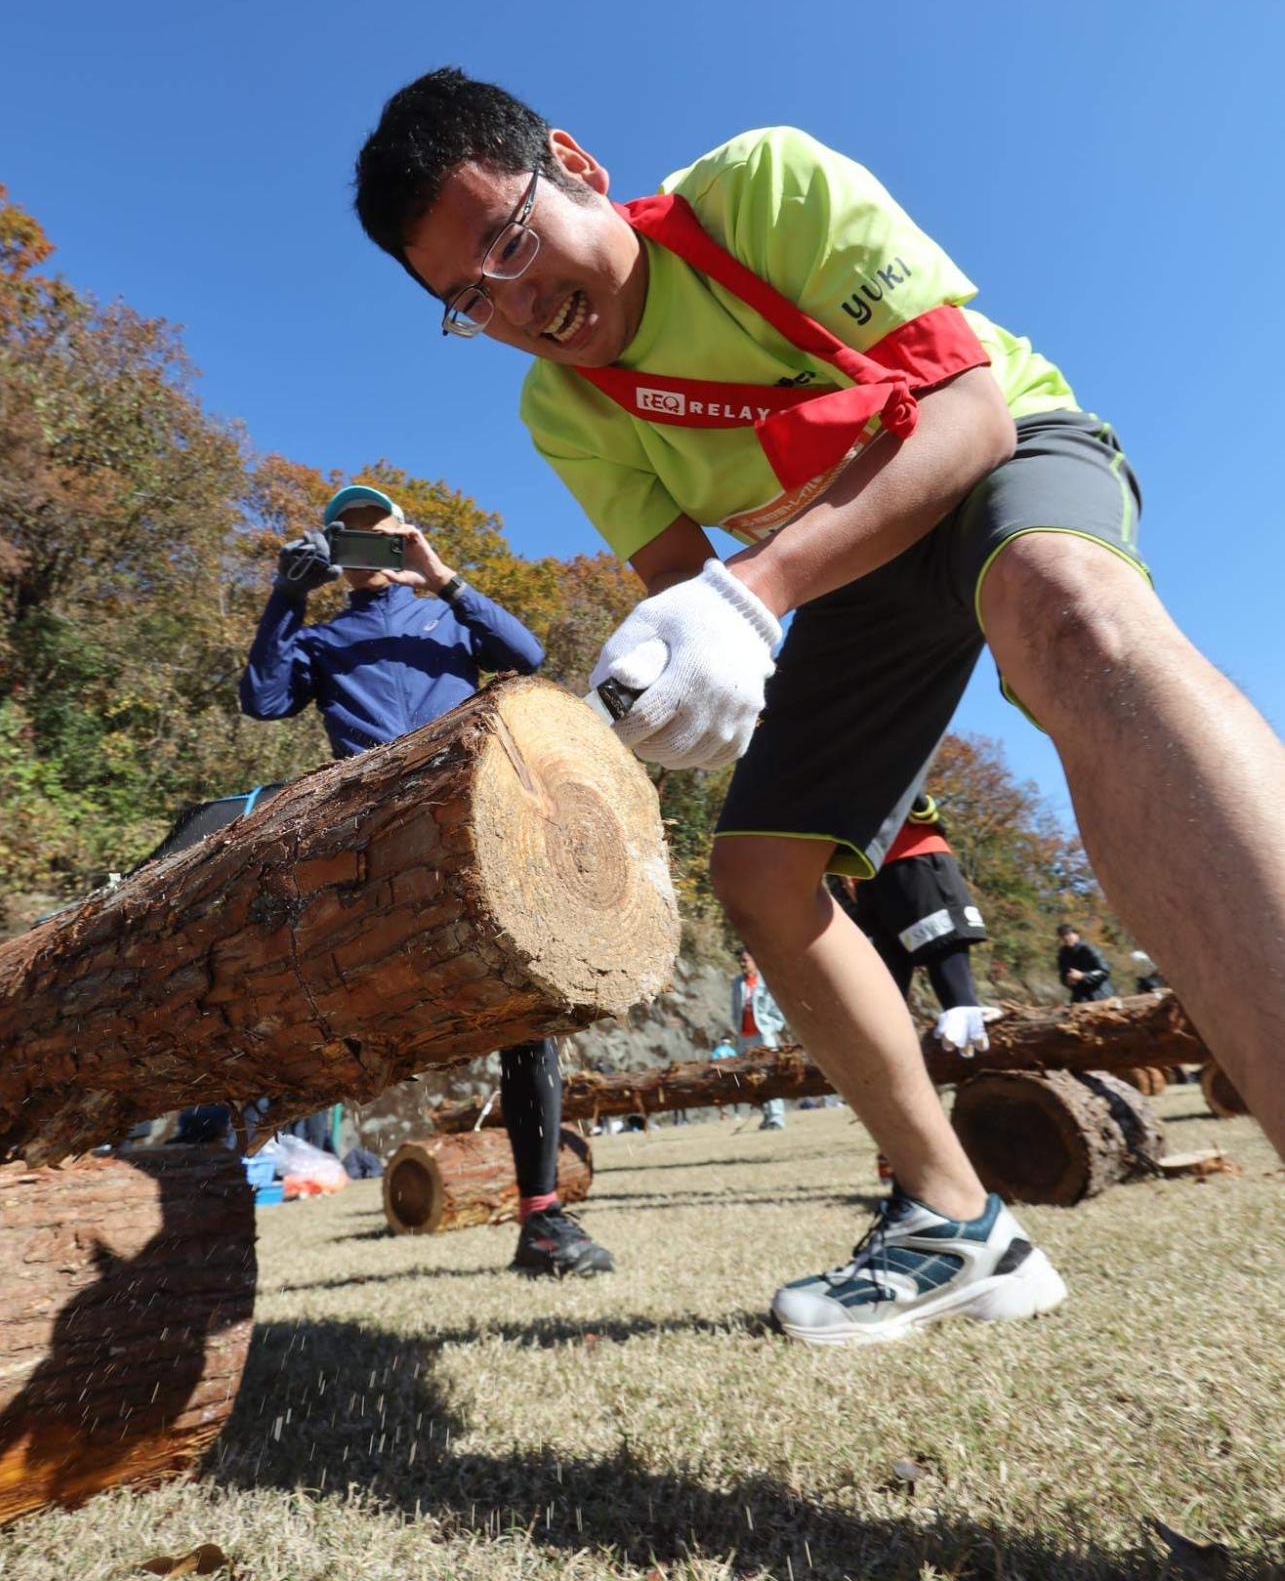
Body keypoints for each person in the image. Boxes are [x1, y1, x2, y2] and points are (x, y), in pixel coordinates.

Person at [351, 70, 1285, 1349]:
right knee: (761, 873)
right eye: (471, 300)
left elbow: (960, 415)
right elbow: (695, 602)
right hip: (841, 574)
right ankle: (953, 1220)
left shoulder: (758, 188)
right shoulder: (557, 408)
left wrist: (761, 588)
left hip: (992, 452)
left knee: (1076, 613)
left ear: (569, 160)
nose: (518, 306)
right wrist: (658, 702)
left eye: (510, 244)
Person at [239, 479, 615, 1278]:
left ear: (404, 537)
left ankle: (542, 1222)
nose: (365, 547)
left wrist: (442, 577)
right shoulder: (324, 638)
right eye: (349, 537)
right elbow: (266, 701)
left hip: (478, 826)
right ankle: (230, 1165)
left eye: (381, 532)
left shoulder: (446, 615)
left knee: (528, 1017)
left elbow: (527, 657)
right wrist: (283, 597)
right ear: (335, 555)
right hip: (375, 838)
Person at [830, 793, 998, 1179]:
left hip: (910, 855)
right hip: (864, 878)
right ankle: (906, 1149)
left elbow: (913, 792)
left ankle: (984, 1137)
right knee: (882, 1008)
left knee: (958, 1006)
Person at [729, 945, 787, 1129]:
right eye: (741, 960)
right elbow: (734, 1008)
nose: (742, 963)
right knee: (752, 1078)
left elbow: (778, 1009)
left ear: (755, 961)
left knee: (769, 1075)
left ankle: (777, 1118)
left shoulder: (766, 981)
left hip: (763, 1036)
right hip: (744, 1037)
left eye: (745, 960)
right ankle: (766, 1115)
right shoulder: (737, 983)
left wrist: (770, 1027)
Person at [1056, 923, 1116, 1003]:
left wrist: (1083, 976)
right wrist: (1068, 980)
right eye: (1062, 935)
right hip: (1080, 998)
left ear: (1076, 935)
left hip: (1100, 996)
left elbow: (1104, 971)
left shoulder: (1089, 950)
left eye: (1069, 934)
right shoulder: (1063, 955)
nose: (1066, 938)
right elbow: (1063, 976)